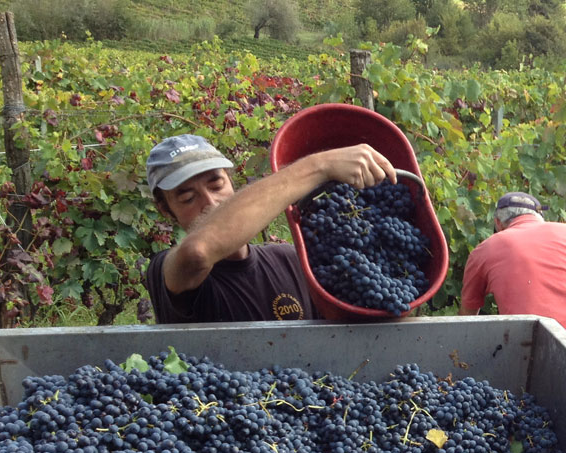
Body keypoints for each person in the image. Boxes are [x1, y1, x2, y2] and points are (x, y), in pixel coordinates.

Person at [145, 133, 398, 324]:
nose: (211, 203)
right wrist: (320, 166)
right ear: (166, 211)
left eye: (217, 185)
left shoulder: (291, 259)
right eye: (188, 198)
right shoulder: (168, 271)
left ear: (233, 184)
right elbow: (197, 252)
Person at [459, 191, 566, 370]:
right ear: (540, 216)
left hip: (532, 356)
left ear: (498, 223)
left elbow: (465, 324)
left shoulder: (485, 250)